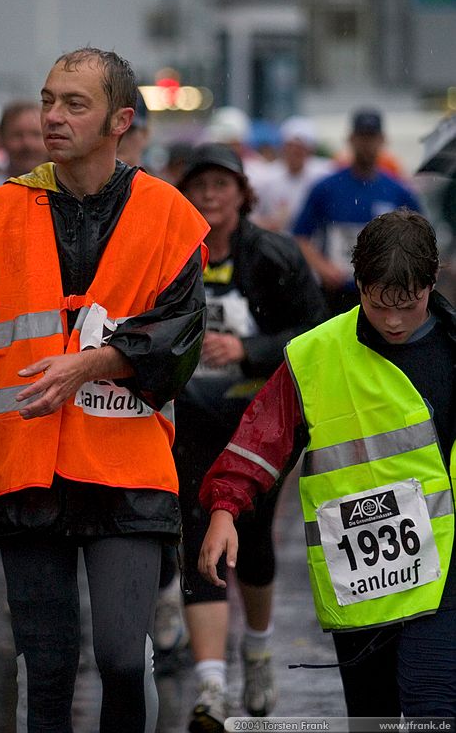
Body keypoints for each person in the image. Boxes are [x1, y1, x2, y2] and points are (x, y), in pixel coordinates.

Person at [0, 47, 210, 733]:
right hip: (23, 465)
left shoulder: (168, 216)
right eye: (48, 99)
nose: (53, 115)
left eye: (73, 104)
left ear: (120, 120)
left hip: (126, 469)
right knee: (45, 667)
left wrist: (88, 364)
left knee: (119, 659)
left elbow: (179, 338)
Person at [198, 208, 456, 723]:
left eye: (409, 304)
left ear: (433, 282)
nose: (395, 320)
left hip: (447, 572)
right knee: (373, 715)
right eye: (380, 304)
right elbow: (262, 437)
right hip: (363, 580)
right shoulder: (316, 355)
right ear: (359, 283)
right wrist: (225, 509)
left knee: (433, 706)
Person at [175, 143, 327, 731]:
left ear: (243, 193)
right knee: (196, 530)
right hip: (190, 419)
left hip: (259, 422)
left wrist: (248, 351)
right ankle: (211, 686)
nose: (210, 197)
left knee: (254, 538)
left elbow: (315, 334)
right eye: (200, 186)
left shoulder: (275, 255)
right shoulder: (172, 255)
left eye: (221, 186)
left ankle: (257, 652)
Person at [293, 109, 422, 315]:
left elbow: (420, 242)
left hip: (384, 294)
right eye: (362, 137)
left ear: (382, 140)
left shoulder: (398, 191)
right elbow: (301, 236)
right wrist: (324, 268)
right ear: (351, 139)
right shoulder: (326, 188)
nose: (367, 144)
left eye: (371, 138)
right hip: (337, 291)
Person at [250, 116, 334, 233]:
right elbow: (250, 218)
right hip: (276, 244)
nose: (294, 153)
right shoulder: (267, 176)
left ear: (309, 150)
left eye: (300, 149)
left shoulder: (323, 175)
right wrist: (269, 224)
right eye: (290, 147)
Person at [0, 101, 48, 196]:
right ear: (1, 139)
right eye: (18, 135)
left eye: (36, 134)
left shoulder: (66, 195)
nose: (28, 144)